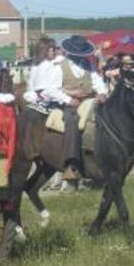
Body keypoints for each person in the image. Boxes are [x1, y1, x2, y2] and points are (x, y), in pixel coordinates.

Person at [57, 35, 108, 181]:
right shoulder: (59, 66)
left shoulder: (88, 65)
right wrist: (70, 95)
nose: (80, 57)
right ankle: (71, 165)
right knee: (72, 120)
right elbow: (52, 89)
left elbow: (98, 82)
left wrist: (103, 93)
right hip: (68, 103)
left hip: (88, 100)